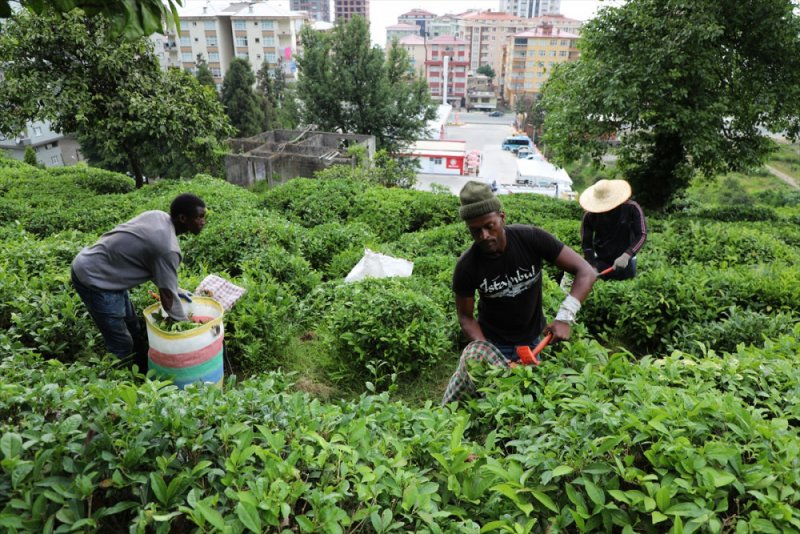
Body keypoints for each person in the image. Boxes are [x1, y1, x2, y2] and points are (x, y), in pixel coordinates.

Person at [443, 181, 596, 403]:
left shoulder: (531, 238)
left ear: (502, 217)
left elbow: (586, 272)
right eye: (475, 231)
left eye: (489, 226)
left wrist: (565, 317)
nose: (484, 235)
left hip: (532, 340)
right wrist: (488, 354)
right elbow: (466, 317)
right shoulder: (467, 266)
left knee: (525, 402)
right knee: (490, 403)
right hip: (494, 343)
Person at [71, 193, 207, 369]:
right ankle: (122, 379)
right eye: (199, 217)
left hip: (105, 268)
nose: (203, 222)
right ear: (183, 218)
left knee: (133, 328)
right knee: (121, 344)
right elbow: (168, 301)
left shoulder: (157, 215)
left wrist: (175, 288)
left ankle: (142, 367)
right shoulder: (167, 249)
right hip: (95, 279)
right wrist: (187, 330)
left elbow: (149, 260)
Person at [579, 179, 647, 281]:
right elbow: (586, 244)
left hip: (626, 261)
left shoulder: (631, 208)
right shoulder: (590, 215)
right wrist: (592, 265)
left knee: (626, 286)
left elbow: (642, 234)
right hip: (601, 260)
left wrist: (627, 255)